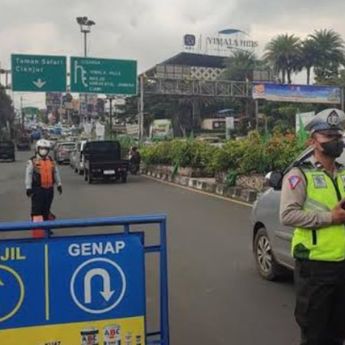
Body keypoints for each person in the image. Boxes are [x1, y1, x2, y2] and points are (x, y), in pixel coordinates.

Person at [280, 108, 345, 345]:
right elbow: (287, 215)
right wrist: (330, 218)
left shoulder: (343, 174)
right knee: (315, 335)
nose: (336, 141)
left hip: (342, 266)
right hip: (315, 267)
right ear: (313, 140)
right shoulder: (299, 175)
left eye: (338, 136)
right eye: (328, 135)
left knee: (338, 333)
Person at [25, 139, 63, 221]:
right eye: (41, 148)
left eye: (45, 148)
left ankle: (46, 229)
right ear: (37, 149)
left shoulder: (51, 161)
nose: (43, 150)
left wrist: (59, 184)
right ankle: (38, 230)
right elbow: (28, 175)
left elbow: (56, 172)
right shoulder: (32, 161)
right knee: (37, 210)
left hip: (49, 189)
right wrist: (28, 188)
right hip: (38, 189)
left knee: (46, 209)